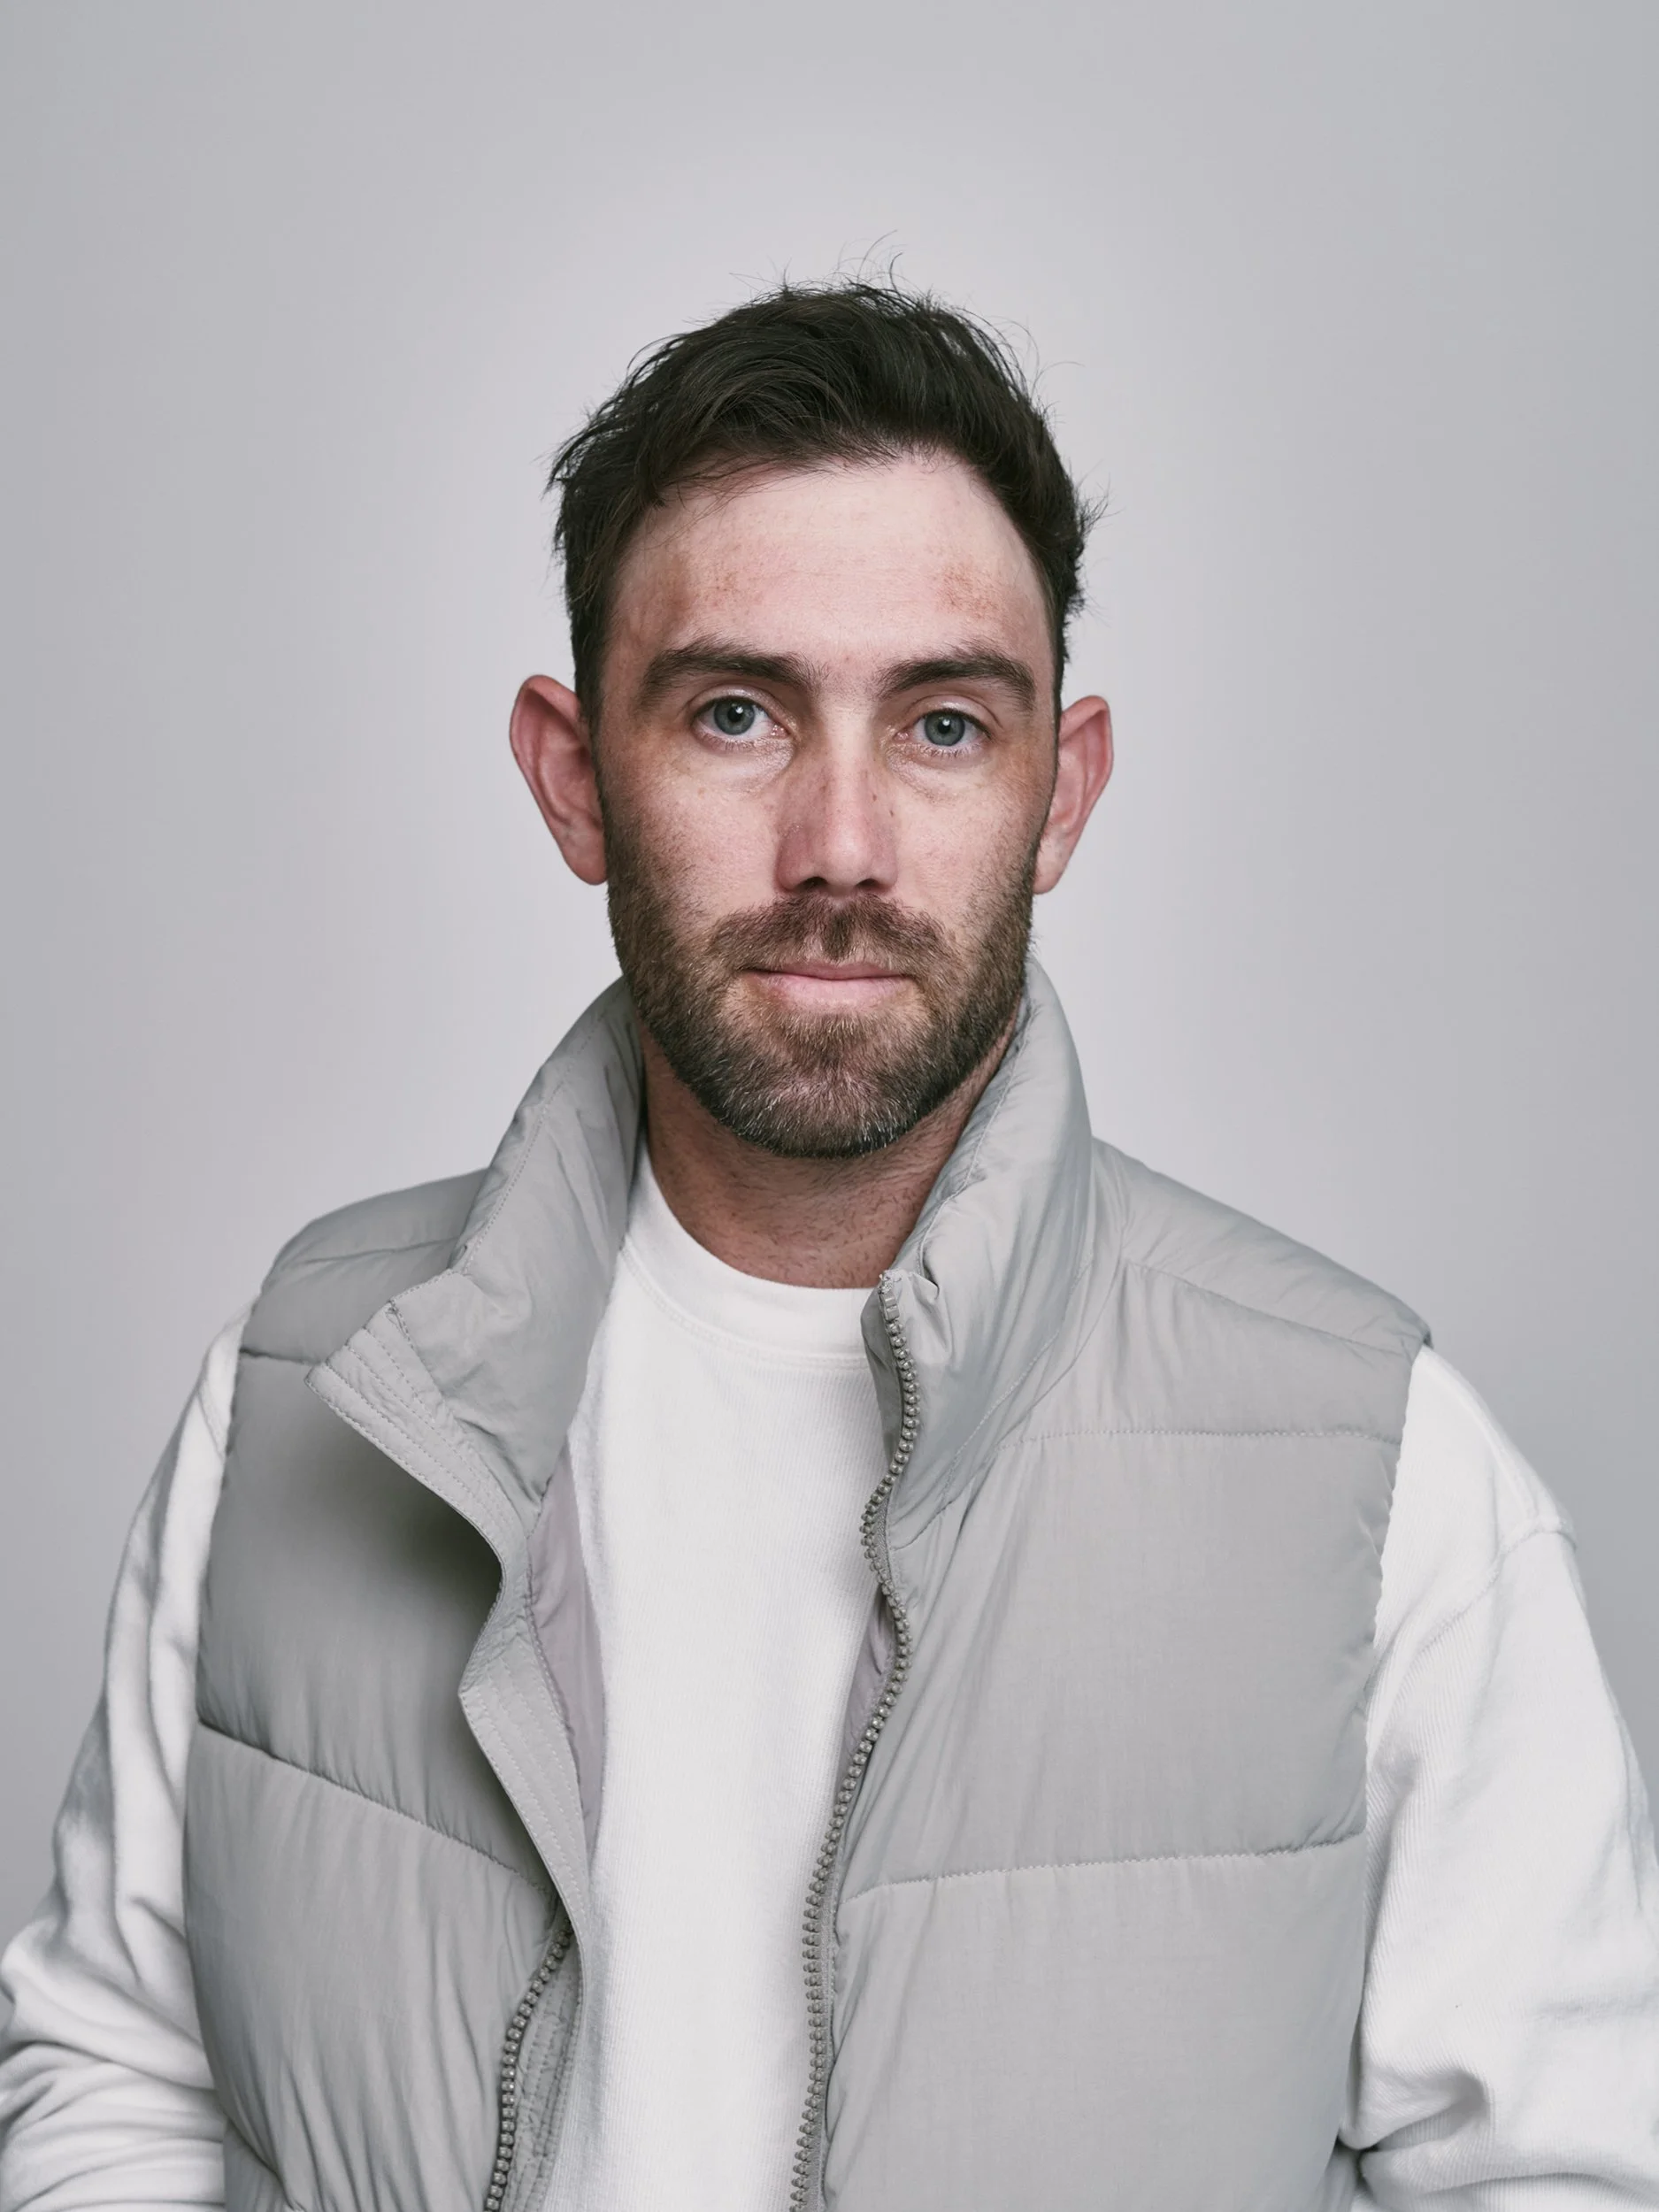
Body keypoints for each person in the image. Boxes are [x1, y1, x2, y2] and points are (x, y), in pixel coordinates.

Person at [2, 280, 1655, 2212]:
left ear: (1063, 789)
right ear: (570, 776)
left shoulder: (1381, 1467)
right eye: (734, 712)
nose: (840, 842)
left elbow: (1561, 2171)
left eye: (944, 722)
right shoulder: (297, 1398)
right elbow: (118, 2063)